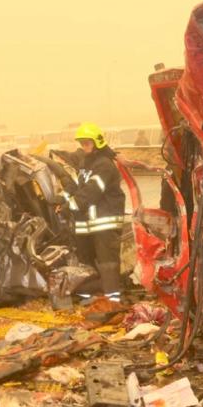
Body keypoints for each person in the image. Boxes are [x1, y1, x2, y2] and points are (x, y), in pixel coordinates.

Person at [64, 122, 126, 301]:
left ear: (97, 142)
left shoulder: (104, 165)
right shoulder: (86, 164)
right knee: (85, 261)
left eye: (87, 143)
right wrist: (62, 199)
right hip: (87, 223)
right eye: (82, 143)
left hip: (104, 222)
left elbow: (92, 190)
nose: (84, 146)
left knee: (107, 262)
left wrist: (72, 205)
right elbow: (78, 186)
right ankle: (87, 296)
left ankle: (113, 300)